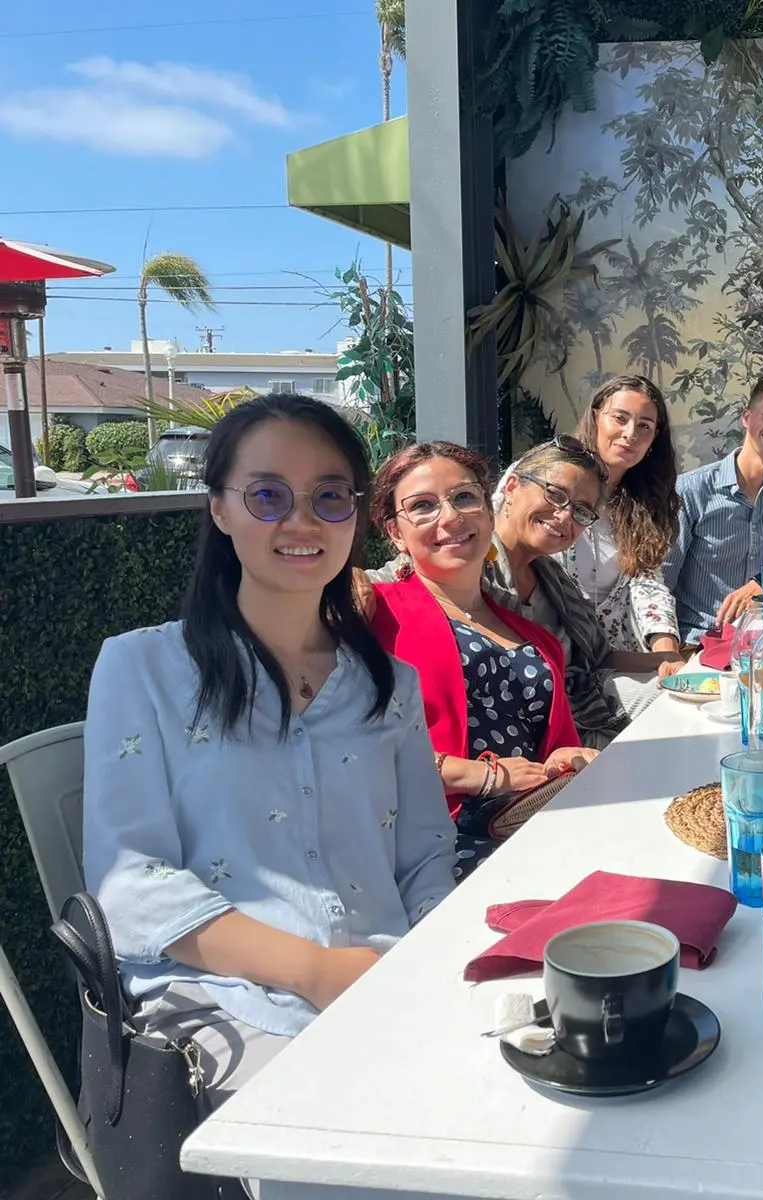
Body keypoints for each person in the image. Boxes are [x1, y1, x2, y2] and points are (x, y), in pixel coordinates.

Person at [81, 393, 456, 1145]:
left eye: (328, 496)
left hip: (387, 983)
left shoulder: (389, 686)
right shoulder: (142, 669)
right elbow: (130, 887)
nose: (302, 521)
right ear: (220, 509)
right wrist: (317, 972)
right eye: (267, 495)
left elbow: (425, 856)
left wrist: (422, 974)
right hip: (222, 1006)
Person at [367, 442, 593, 880]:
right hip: (441, 849)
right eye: (423, 506)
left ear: (489, 513)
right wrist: (481, 776)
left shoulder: (537, 639)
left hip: (536, 829)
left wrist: (569, 759)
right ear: (396, 534)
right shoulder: (374, 614)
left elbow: (556, 749)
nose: (450, 517)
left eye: (465, 497)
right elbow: (348, 752)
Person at [666, 374, 763, 642]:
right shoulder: (690, 490)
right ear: (746, 418)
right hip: (698, 643)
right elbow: (661, 580)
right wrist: (665, 651)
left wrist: (761, 585)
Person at [563, 375, 685, 654]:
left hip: (615, 658)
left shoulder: (645, 503)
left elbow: (647, 582)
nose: (631, 433)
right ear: (595, 417)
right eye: (620, 418)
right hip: (548, 656)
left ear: (654, 438)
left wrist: (666, 652)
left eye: (644, 426)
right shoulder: (550, 481)